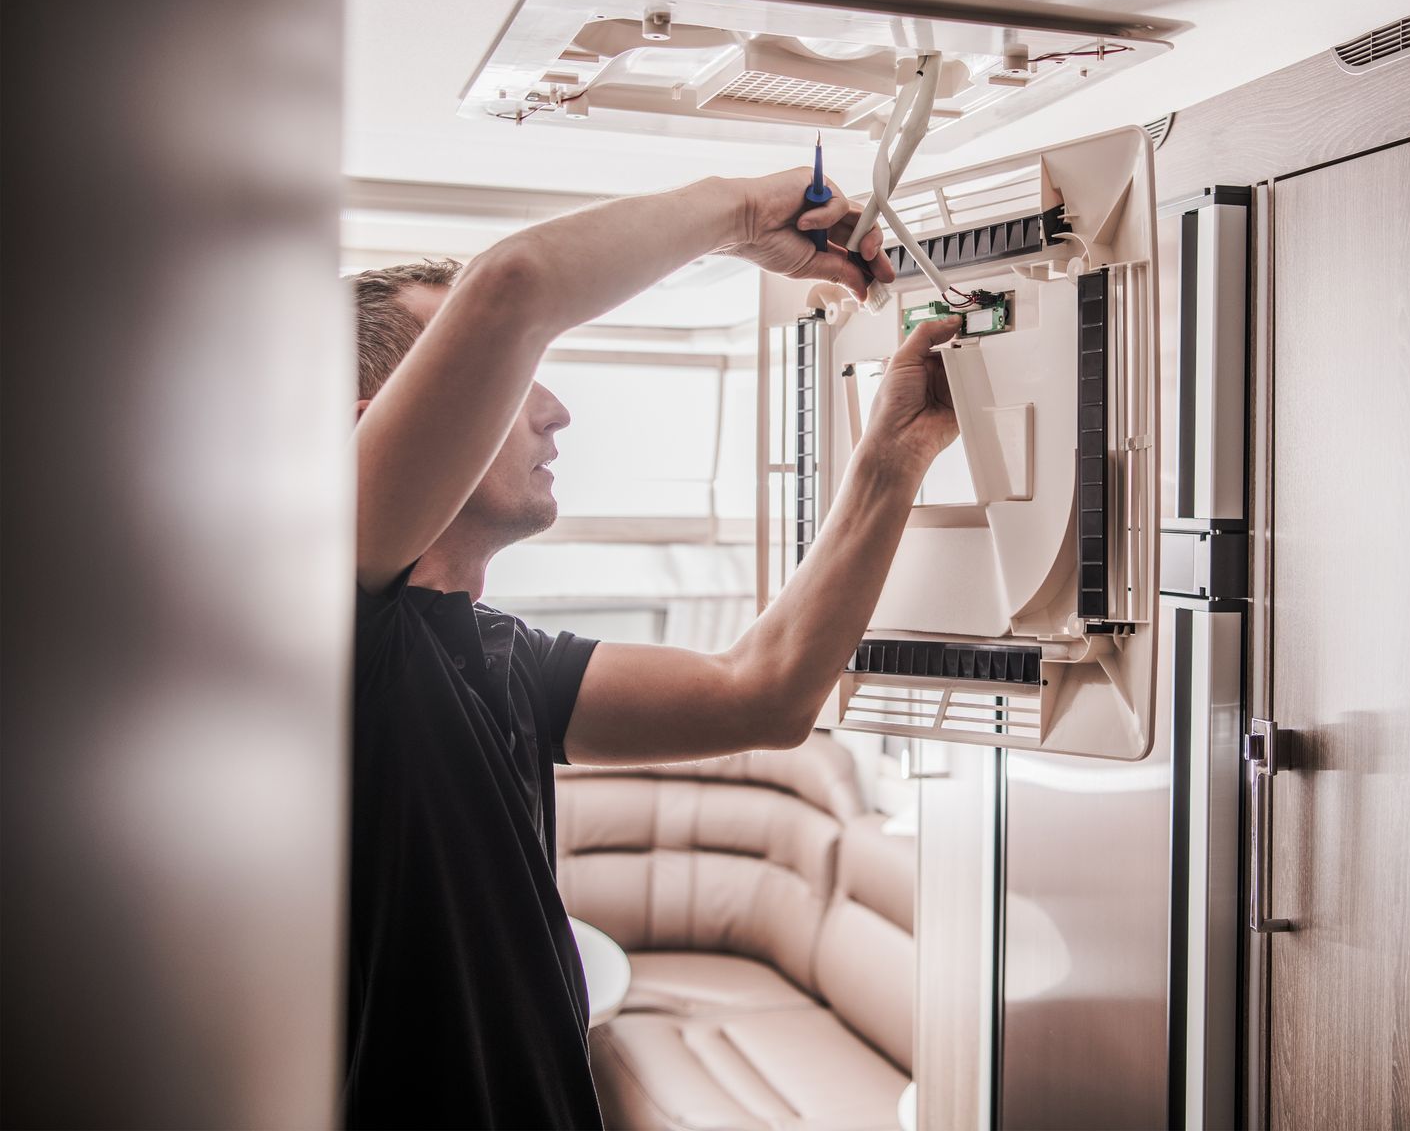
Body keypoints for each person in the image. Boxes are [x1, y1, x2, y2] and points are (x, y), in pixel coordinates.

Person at [344, 169, 958, 1128]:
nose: (553, 411)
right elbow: (514, 284)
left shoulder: (501, 659)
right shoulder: (315, 625)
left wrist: (893, 454)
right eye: (507, 376)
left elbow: (763, 693)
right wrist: (748, 214)